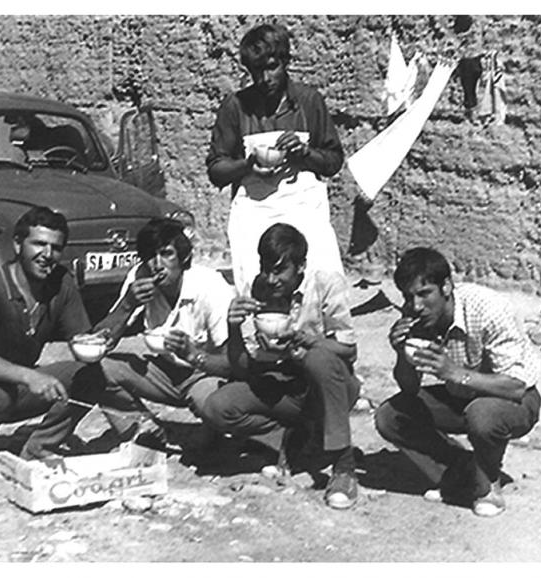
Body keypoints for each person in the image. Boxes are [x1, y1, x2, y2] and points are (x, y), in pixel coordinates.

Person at [202, 223, 361, 510]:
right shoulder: (258, 288)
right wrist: (233, 327)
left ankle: (344, 466)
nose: (271, 279)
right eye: (266, 269)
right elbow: (241, 367)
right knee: (217, 407)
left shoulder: (326, 283)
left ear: (301, 266)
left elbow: (348, 350)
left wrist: (304, 342)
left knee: (317, 358)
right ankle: (289, 436)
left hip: (330, 387)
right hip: (284, 384)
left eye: (279, 271)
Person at [374, 247, 541, 517]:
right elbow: (409, 389)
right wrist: (402, 354)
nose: (416, 306)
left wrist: (453, 372)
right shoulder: (416, 316)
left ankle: (488, 485)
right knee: (390, 416)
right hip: (460, 396)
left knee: (482, 414)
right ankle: (462, 469)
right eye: (408, 297)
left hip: (512, 401)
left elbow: (516, 386)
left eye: (424, 294)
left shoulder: (488, 308)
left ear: (446, 287)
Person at [0, 206, 101, 486]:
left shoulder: (61, 283)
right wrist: (30, 376)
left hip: (18, 385)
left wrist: (124, 311)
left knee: (92, 375)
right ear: (17, 244)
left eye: (56, 248)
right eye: (38, 244)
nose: (47, 254)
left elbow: (82, 344)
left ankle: (39, 445)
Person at [206, 22, 345, 295]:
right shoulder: (236, 106)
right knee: (258, 285)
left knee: (321, 280)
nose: (264, 78)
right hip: (254, 211)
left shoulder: (308, 102)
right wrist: (247, 165)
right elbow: (216, 170)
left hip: (305, 208)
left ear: (285, 62)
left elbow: (334, 161)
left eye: (271, 68)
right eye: (256, 71)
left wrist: (305, 153)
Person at [74, 217, 235, 447]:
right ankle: (143, 432)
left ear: (184, 258)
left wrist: (193, 354)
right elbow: (100, 342)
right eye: (150, 256)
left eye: (166, 254)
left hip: (205, 374)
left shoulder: (210, 286)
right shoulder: (140, 276)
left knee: (212, 406)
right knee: (98, 370)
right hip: (165, 371)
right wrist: (127, 304)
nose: (157, 264)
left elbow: (230, 363)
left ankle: (213, 433)